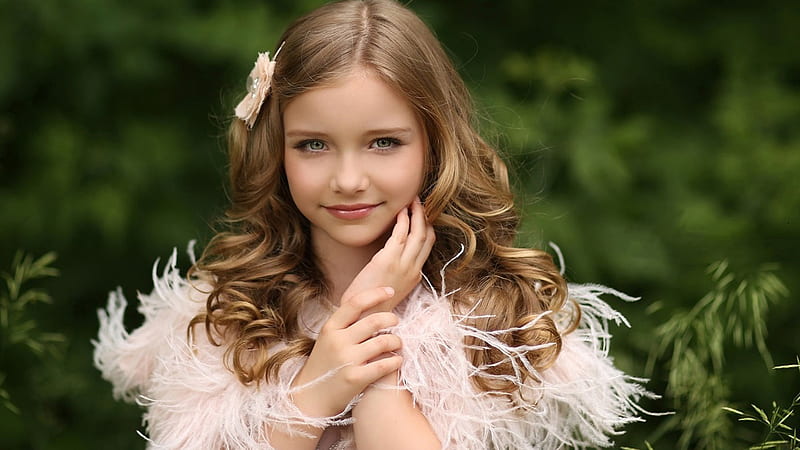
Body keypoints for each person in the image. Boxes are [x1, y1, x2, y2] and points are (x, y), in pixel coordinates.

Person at [93, 0, 652, 448]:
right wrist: (319, 387)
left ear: (435, 146)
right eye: (313, 145)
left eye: (383, 143)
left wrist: (373, 333)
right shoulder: (227, 314)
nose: (349, 179)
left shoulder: (492, 321)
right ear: (276, 150)